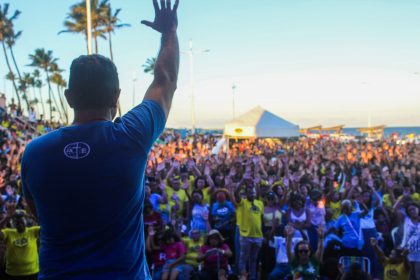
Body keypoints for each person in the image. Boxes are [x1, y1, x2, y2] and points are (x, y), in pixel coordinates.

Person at [20, 0, 180, 278]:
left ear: (69, 98)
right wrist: (169, 32)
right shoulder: (131, 137)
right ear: (116, 97)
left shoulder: (35, 152)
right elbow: (165, 80)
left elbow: (38, 213)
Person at [0, 202, 40, 280]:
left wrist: (32, 216)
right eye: (16, 219)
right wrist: (7, 217)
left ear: (26, 220)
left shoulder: (32, 231)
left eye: (22, 218)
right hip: (12, 274)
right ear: (13, 222)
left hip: (32, 273)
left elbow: (47, 228)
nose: (19, 221)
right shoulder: (8, 232)